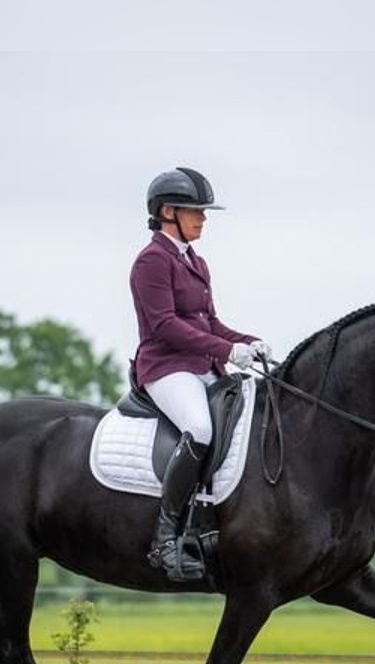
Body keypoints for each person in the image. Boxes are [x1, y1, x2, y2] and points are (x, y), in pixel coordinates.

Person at [130, 166, 271, 581]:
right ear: (168, 211)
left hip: (202, 366)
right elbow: (164, 325)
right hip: (166, 367)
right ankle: (165, 538)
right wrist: (226, 350)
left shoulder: (196, 261)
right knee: (201, 429)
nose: (203, 218)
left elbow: (210, 322)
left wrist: (248, 341)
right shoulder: (151, 261)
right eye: (195, 211)